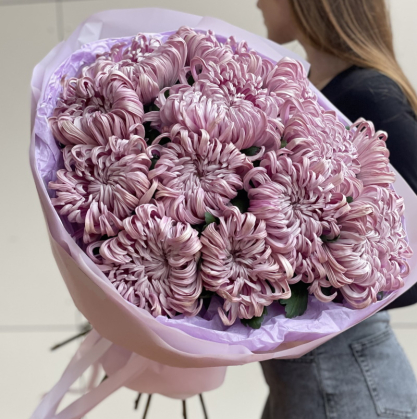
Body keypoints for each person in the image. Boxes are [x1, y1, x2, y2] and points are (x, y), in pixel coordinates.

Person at [256, 0, 417, 418]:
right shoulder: (307, 87)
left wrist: (319, 284)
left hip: (351, 390)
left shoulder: (369, 95)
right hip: (307, 387)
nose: (256, 2)